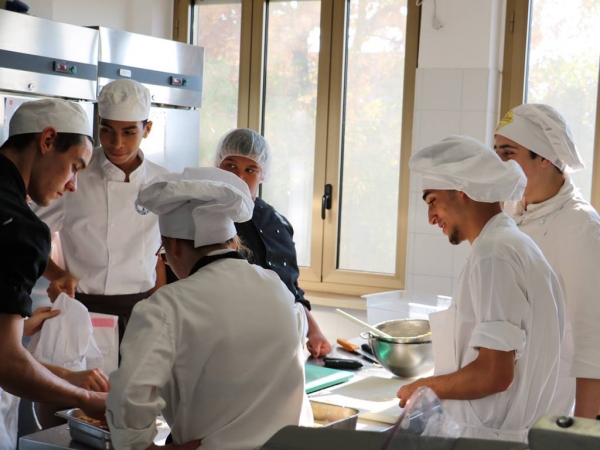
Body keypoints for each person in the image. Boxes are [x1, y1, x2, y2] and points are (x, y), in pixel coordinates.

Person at [106, 167, 312, 450]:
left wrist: (140, 446)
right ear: (232, 241)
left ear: (174, 246)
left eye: (163, 255)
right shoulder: (276, 287)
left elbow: (129, 393)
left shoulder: (166, 306)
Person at [397, 135, 564, 442]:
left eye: (432, 200)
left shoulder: (494, 255)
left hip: (487, 441)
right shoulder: (510, 245)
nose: (431, 217)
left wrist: (421, 388)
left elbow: (494, 374)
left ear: (462, 190)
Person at [0, 99, 108, 450]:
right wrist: (88, 399)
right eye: (75, 166)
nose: (74, 184)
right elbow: (7, 363)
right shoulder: (22, 229)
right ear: (47, 141)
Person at [34, 79, 169, 344]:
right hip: (81, 310)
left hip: (141, 313)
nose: (116, 142)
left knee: (135, 386)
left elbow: (161, 253)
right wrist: (57, 274)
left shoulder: (162, 181)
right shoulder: (74, 172)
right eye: (107, 130)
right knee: (82, 384)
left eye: (129, 132)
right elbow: (29, 235)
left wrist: (161, 305)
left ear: (147, 129)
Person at [494, 103, 600, 418]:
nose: (499, 164)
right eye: (497, 153)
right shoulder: (511, 214)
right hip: (507, 397)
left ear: (543, 158)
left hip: (552, 404)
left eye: (508, 153)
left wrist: (580, 434)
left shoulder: (580, 225)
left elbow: (593, 340)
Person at [214, 128, 331, 357]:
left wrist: (313, 331)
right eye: (230, 166)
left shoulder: (277, 222)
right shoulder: (208, 216)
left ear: (263, 173)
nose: (239, 177)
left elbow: (289, 288)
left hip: (282, 345)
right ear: (218, 165)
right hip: (228, 343)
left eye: (250, 169)